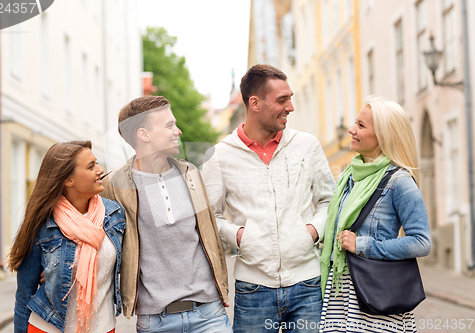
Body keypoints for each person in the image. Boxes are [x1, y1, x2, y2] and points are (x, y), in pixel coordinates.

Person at [202, 64, 336, 332]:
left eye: (290, 98)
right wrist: (240, 235)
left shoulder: (306, 145)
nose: (290, 107)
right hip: (253, 289)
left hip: (308, 284)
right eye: (281, 100)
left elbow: (329, 200)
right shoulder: (219, 156)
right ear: (255, 103)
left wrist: (311, 231)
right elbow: (209, 218)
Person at [101, 96, 232, 333]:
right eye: (169, 125)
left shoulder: (191, 174)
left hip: (209, 315)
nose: (178, 131)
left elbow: (210, 231)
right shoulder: (114, 184)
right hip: (155, 322)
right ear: (144, 134)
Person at [319, 96, 431, 333]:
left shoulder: (400, 181)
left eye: (361, 125)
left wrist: (363, 245)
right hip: (340, 290)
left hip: (374, 292)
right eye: (355, 123)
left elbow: (421, 242)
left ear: (383, 135)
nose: (351, 129)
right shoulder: (348, 177)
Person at [9, 141, 126, 333]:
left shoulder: (114, 215)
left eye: (96, 163)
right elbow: (24, 296)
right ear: (68, 180)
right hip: (49, 327)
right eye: (91, 166)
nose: (100, 170)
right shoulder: (43, 223)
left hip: (102, 327)